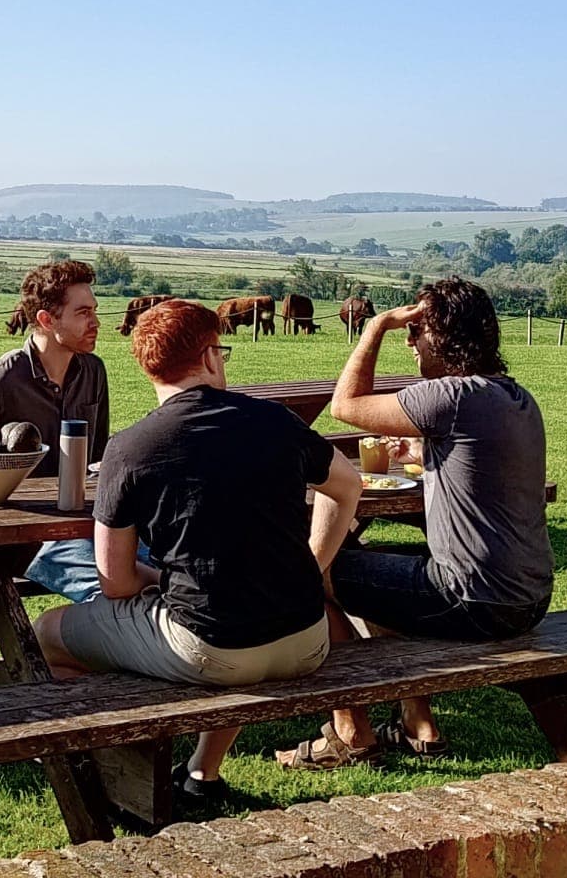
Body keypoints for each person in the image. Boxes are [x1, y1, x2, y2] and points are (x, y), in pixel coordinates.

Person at [34, 299, 363, 798]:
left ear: (149, 368)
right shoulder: (276, 421)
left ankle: (114, 776)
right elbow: (347, 486)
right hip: (307, 639)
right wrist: (312, 564)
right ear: (209, 357)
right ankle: (200, 774)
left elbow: (115, 583)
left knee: (47, 634)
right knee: (224, 624)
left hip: (210, 649)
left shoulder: (130, 448)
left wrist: (163, 581)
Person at [277, 276, 554, 770]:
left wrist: (374, 329)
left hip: (473, 598)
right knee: (382, 574)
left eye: (416, 329)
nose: (409, 341)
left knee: (309, 573)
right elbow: (485, 463)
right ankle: (418, 722)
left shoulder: (451, 395)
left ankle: (350, 732)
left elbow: (345, 406)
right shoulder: (516, 397)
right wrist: (428, 453)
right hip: (528, 597)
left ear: (445, 336)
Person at [0, 259, 109, 602]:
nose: (95, 322)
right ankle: (58, 633)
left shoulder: (93, 372)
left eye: (94, 310)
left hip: (83, 524)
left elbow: (97, 461)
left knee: (166, 572)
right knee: (111, 591)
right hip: (22, 537)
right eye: (83, 313)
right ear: (47, 320)